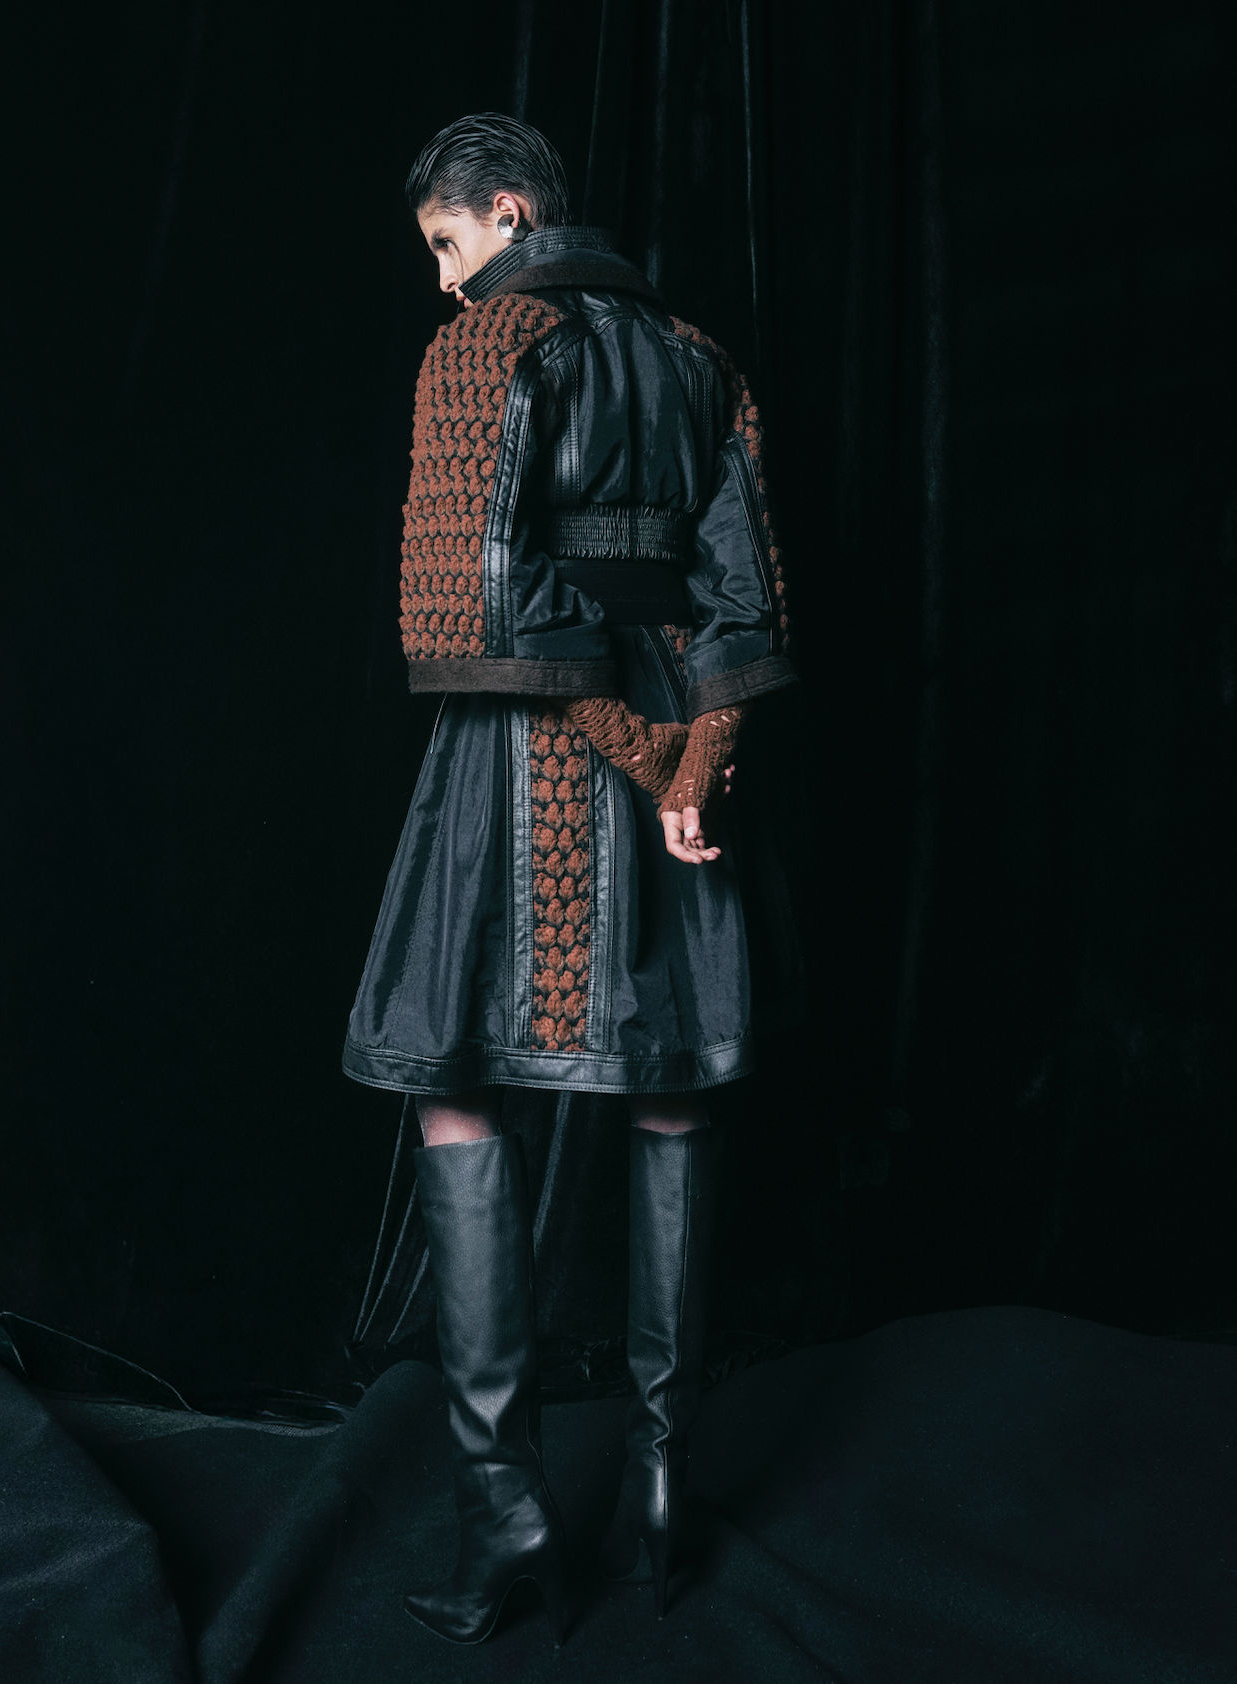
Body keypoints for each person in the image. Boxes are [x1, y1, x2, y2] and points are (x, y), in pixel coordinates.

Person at [342, 113, 796, 1646]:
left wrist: (635, 754)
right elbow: (744, 601)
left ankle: (508, 1510)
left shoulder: (489, 344)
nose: (443, 279)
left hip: (530, 747)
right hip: (674, 747)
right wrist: (690, 763)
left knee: (458, 1085)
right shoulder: (697, 356)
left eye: (447, 243)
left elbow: (464, 601)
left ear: (510, 213)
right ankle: (662, 1487)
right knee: (670, 1090)